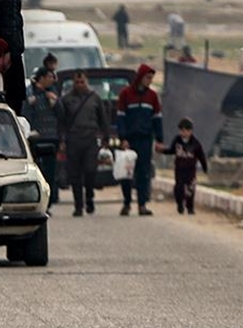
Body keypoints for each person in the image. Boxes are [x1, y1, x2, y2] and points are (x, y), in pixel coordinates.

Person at [56, 71, 109, 217]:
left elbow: (103, 119)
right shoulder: (66, 100)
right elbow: (61, 123)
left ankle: (89, 196)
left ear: (87, 82)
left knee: (90, 170)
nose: (80, 85)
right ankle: (78, 205)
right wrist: (61, 140)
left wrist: (106, 137)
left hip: (90, 139)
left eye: (82, 82)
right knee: (74, 175)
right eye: (77, 82)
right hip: (73, 140)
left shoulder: (95, 98)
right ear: (74, 83)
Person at [116, 63, 164, 217]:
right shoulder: (126, 94)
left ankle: (142, 204)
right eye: (148, 77)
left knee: (144, 172)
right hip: (129, 140)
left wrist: (159, 139)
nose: (149, 81)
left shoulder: (152, 96)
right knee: (127, 172)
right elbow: (121, 118)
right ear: (141, 77)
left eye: (151, 78)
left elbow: (157, 119)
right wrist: (123, 138)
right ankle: (127, 202)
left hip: (145, 140)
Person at [26, 67, 60, 210]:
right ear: (42, 78)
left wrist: (56, 103)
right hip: (36, 139)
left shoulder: (53, 92)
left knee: (51, 171)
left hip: (52, 137)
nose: (52, 80)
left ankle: (50, 202)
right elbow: (25, 113)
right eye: (49, 77)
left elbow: (62, 115)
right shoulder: (30, 91)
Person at [159, 118, 207, 215]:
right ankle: (180, 204)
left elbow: (201, 156)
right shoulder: (177, 140)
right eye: (181, 130)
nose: (183, 133)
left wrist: (204, 167)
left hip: (191, 170)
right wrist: (162, 150)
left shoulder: (195, 143)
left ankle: (190, 207)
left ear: (190, 131)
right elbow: (172, 150)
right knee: (179, 188)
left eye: (185, 131)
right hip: (179, 169)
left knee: (190, 189)